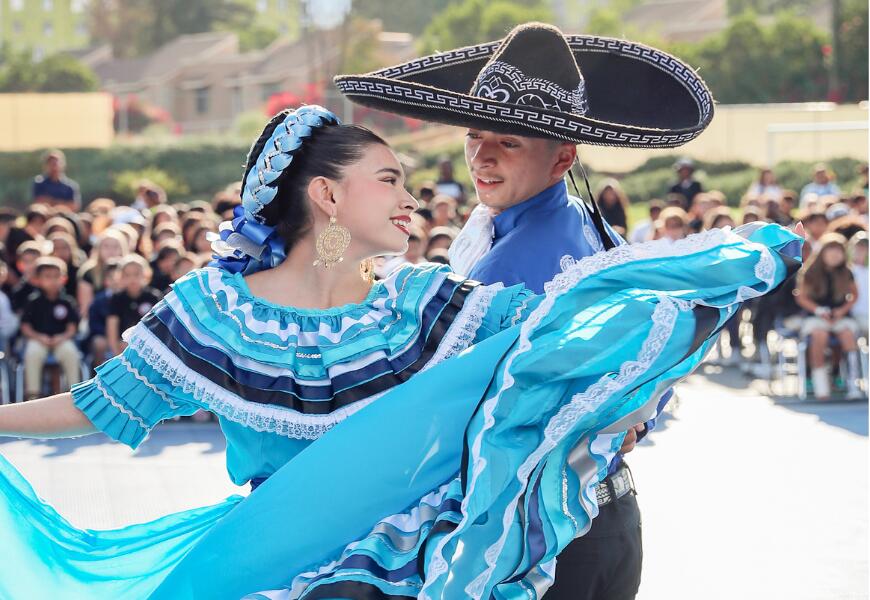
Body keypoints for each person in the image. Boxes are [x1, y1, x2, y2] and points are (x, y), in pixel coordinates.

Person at [0, 102, 802, 598]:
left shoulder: (420, 301)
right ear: (327, 197)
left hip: (402, 573)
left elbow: (568, 330)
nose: (412, 195)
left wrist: (705, 285)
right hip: (271, 559)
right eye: (387, 179)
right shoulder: (212, 311)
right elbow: (101, 406)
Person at [336, 21, 709, 600]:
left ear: (563, 157)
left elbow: (451, 413)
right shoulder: (587, 226)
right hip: (598, 519)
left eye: (508, 142)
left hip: (549, 544)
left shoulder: (515, 265)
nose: (481, 157)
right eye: (474, 135)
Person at [795, 233, 863, 400]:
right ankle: (821, 386)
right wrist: (818, 310)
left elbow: (854, 295)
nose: (835, 255)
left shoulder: (847, 272)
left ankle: (852, 383)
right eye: (831, 250)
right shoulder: (810, 271)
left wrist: (841, 310)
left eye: (838, 251)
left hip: (840, 316)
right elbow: (801, 296)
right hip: (815, 316)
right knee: (819, 335)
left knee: (847, 335)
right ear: (823, 252)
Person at [19, 257, 80, 400]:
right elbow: (25, 326)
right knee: (32, 353)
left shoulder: (67, 301)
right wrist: (39, 337)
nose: (53, 281)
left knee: (71, 352)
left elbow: (72, 327)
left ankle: (76, 392)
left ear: (63, 278)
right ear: (37, 280)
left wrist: (62, 337)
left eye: (56, 276)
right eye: (47, 277)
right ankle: (33, 395)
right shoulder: (33, 301)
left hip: (61, 339)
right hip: (38, 339)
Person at [106, 254, 162, 357]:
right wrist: (118, 355)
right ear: (120, 277)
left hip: (150, 347)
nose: (132, 279)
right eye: (127, 275)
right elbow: (112, 328)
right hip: (122, 347)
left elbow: (159, 327)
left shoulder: (154, 297)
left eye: (136, 274)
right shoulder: (116, 299)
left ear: (146, 275)